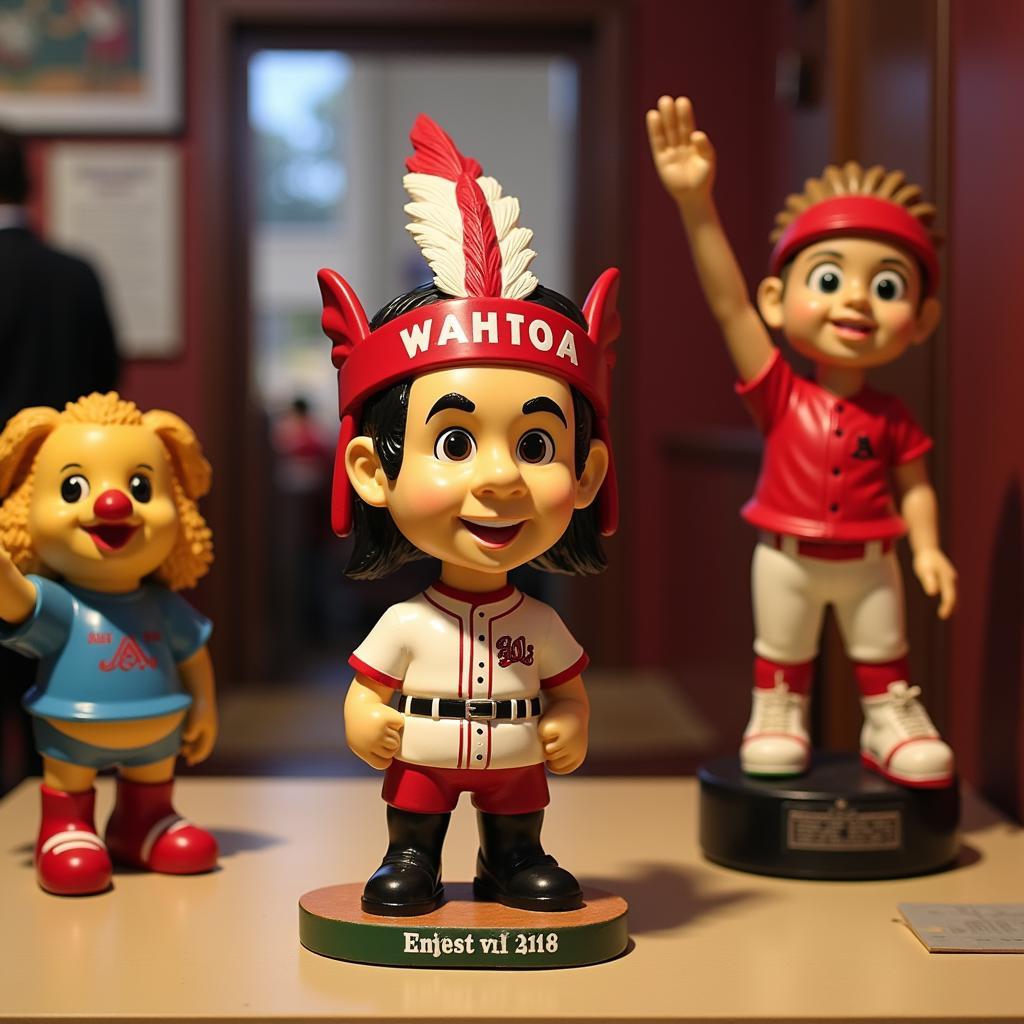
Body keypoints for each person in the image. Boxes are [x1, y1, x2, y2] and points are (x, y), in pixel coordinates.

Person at [319, 114, 621, 915]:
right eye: (454, 441)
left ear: (588, 475)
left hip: (513, 755)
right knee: (415, 816)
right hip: (424, 751)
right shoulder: (410, 625)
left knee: (518, 818)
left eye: (534, 444)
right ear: (370, 472)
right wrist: (364, 720)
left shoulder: (542, 624)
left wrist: (571, 721)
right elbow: (366, 689)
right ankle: (411, 860)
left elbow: (568, 690)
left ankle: (512, 862)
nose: (499, 479)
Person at [647, 95, 956, 788]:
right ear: (778, 300)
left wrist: (929, 549)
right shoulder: (780, 392)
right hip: (785, 555)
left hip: (873, 557)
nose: (855, 301)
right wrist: (696, 203)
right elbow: (726, 303)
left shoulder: (894, 416)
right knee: (782, 648)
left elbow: (917, 485)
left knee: (883, 650)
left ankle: (889, 721)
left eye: (885, 284)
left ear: (922, 318)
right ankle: (778, 711)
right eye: (828, 277)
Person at [0, 393, 218, 895]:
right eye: (75, 486)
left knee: (152, 779)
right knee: (69, 779)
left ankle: (143, 823)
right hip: (71, 731)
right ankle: (65, 829)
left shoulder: (161, 606)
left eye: (140, 486)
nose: (112, 503)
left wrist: (204, 705)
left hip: (158, 731)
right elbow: (18, 604)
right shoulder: (61, 604)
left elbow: (193, 654)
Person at [0, 126, 120, 794]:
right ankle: (69, 820)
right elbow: (109, 395)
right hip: (69, 513)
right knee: (64, 679)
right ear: (31, 183)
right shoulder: (75, 277)